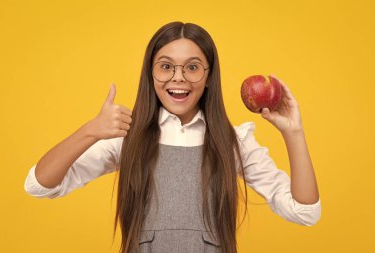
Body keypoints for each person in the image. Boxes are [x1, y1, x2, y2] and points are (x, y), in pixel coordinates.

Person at [24, 21, 321, 253]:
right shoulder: (127, 137)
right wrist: (90, 130)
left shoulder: (233, 141)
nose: (178, 77)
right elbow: (39, 185)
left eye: (192, 67)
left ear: (208, 77)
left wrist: (293, 132)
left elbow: (305, 212)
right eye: (166, 66)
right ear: (150, 74)